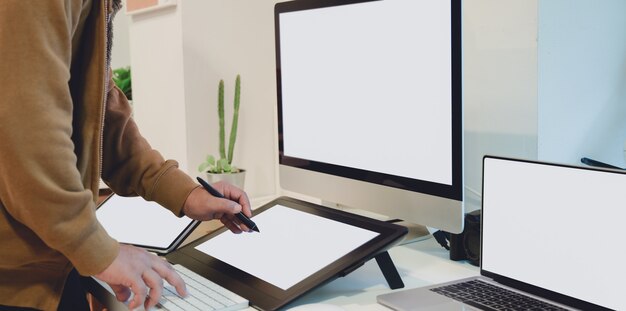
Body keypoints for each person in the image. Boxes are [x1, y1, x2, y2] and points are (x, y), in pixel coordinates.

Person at [0, 1, 253, 310]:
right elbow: (27, 134)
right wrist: (96, 249)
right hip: (15, 283)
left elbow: (102, 116)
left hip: (48, 268)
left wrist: (187, 194)